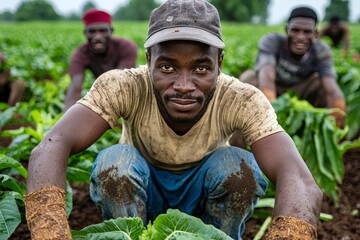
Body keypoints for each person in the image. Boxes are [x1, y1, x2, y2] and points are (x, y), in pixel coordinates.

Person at [25, 1, 323, 239]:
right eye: (167, 67)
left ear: (219, 63)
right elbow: (53, 145)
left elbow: (299, 180)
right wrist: (50, 230)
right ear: (149, 59)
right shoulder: (124, 85)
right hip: (142, 186)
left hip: (204, 194)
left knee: (239, 167)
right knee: (115, 163)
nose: (183, 84)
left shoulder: (242, 98)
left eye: (201, 69)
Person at [239, 6, 347, 129]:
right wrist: (272, 121)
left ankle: (315, 132)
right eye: (295, 30)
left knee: (322, 86)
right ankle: (241, 138)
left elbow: (332, 90)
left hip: (302, 91)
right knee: (248, 78)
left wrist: (335, 125)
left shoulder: (321, 50)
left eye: (307, 32)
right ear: (286, 30)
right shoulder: (272, 41)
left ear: (315, 34)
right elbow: (267, 80)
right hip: (275, 86)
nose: (300, 37)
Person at [63, 8, 138, 112]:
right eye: (92, 31)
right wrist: (66, 120)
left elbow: (119, 81)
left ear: (111, 31)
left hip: (129, 93)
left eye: (102, 31)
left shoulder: (126, 46)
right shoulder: (80, 53)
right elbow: (75, 87)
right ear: (85, 33)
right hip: (102, 94)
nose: (97, 36)